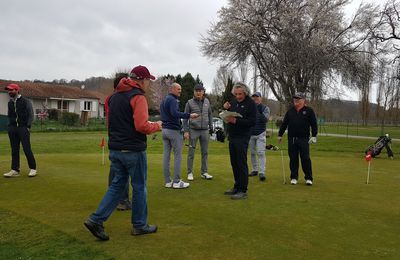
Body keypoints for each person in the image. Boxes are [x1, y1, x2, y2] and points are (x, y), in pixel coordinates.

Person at [84, 65, 162, 240]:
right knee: (139, 187)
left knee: (117, 186)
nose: (149, 84)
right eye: (148, 80)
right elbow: (141, 126)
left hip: (116, 149)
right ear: (142, 80)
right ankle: (140, 225)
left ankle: (96, 219)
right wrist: (157, 126)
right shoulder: (138, 97)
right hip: (133, 150)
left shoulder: (112, 98)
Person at [160, 83, 198, 189]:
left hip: (164, 130)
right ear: (172, 89)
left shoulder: (164, 100)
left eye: (180, 89)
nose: (180, 91)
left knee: (166, 156)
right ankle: (176, 181)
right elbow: (174, 113)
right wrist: (189, 115)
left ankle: (168, 181)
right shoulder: (172, 100)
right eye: (178, 89)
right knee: (178, 156)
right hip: (173, 131)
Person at [223, 82, 256, 200]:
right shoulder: (233, 102)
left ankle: (243, 190)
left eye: (240, 94)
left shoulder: (251, 104)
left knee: (241, 163)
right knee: (234, 162)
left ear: (245, 92)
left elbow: (252, 122)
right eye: (236, 94)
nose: (238, 96)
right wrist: (226, 109)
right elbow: (228, 115)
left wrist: (236, 121)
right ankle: (236, 186)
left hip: (243, 137)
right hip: (232, 135)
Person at [278, 92, 317, 186]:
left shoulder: (309, 111)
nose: (296, 101)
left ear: (303, 100)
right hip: (292, 139)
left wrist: (314, 135)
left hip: (304, 139)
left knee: (305, 158)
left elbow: (314, 124)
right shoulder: (290, 111)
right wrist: (280, 134)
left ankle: (308, 178)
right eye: (295, 99)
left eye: (298, 99)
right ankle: (294, 177)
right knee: (293, 159)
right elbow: (284, 124)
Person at [106, 72, 131, 211]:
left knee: (115, 168)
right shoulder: (116, 98)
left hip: (114, 136)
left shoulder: (111, 98)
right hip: (120, 137)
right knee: (122, 170)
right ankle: (121, 200)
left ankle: (114, 199)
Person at [3, 83, 37, 178]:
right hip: (12, 129)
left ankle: (33, 169)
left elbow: (31, 114)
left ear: (17, 90)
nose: (9, 92)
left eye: (11, 90)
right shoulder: (10, 103)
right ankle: (15, 170)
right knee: (14, 150)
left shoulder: (26, 101)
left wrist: (28, 126)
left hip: (23, 128)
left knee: (26, 149)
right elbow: (10, 116)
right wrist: (9, 126)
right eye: (8, 90)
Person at [183, 83, 213, 181]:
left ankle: (204, 172)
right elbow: (185, 118)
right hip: (193, 130)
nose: (198, 93)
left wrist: (211, 126)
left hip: (204, 130)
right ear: (194, 92)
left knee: (205, 152)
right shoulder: (189, 103)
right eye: (197, 91)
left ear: (203, 92)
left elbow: (210, 114)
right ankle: (190, 172)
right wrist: (186, 131)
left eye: (200, 91)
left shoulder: (207, 101)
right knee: (191, 152)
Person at [248, 92, 270, 181]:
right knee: (252, 153)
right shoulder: (249, 108)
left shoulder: (265, 108)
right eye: (253, 97)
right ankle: (254, 170)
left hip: (261, 133)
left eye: (257, 97)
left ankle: (262, 172)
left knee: (261, 153)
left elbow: (265, 119)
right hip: (250, 133)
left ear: (260, 98)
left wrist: (256, 111)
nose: (255, 98)